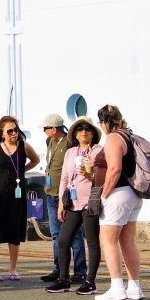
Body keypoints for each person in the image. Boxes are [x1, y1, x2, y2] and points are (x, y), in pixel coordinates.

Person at [47, 118, 105, 295]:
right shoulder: (71, 152)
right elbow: (64, 177)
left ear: (93, 133)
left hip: (91, 201)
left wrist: (89, 174)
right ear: (75, 133)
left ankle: (90, 281)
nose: (84, 132)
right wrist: (60, 205)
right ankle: (63, 279)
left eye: (88, 129)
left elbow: (101, 178)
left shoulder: (99, 151)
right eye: (80, 129)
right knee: (64, 240)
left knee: (92, 241)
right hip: (72, 202)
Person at [95, 104, 145, 300]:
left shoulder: (113, 138)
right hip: (133, 193)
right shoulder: (130, 136)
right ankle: (135, 287)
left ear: (105, 122)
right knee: (127, 240)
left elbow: (114, 169)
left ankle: (117, 286)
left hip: (119, 194)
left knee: (107, 239)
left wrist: (105, 193)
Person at [0, 116, 40, 281]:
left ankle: (13, 269)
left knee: (15, 230)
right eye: (10, 131)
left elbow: (36, 160)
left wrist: (22, 171)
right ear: (1, 133)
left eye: (16, 130)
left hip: (17, 194)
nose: (14, 133)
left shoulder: (23, 146)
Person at [40, 113, 85, 283]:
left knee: (74, 234)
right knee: (55, 234)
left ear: (53, 129)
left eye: (45, 129)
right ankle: (59, 268)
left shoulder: (68, 143)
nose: (44, 132)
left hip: (66, 195)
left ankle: (80, 270)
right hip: (51, 192)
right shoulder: (49, 142)